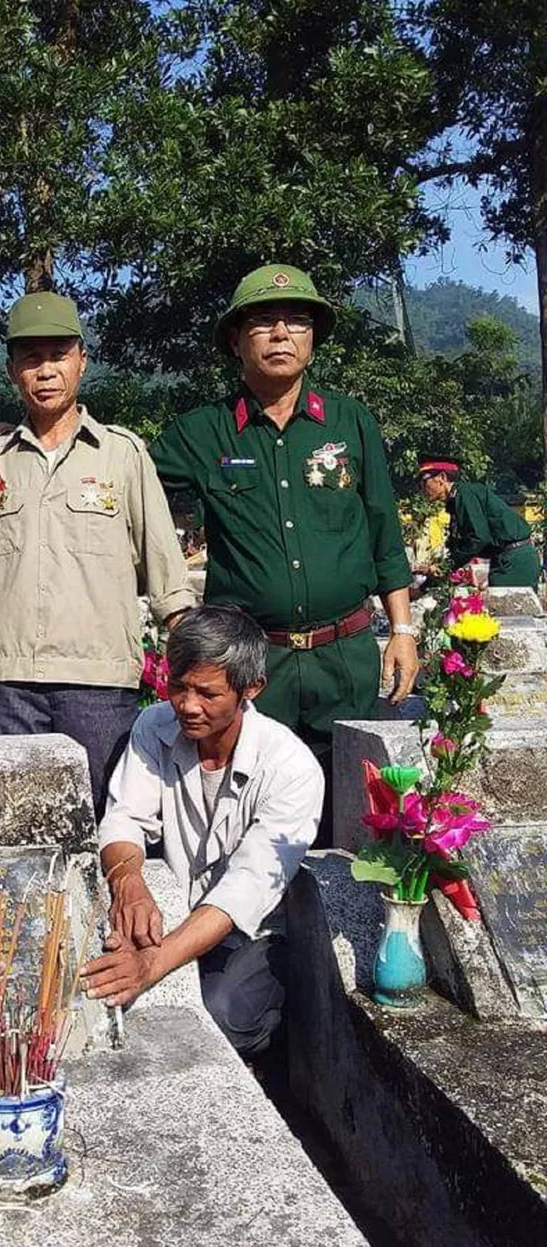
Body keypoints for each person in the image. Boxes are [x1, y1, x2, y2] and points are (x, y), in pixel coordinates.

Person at [149, 264, 418, 839]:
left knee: (355, 807)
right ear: (235, 341)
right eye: (263, 322)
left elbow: (383, 530)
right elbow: (121, 475)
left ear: (313, 337)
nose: (281, 334)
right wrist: (12, 430)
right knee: (251, 803)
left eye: (297, 321)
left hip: (343, 653)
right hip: (252, 661)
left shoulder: (349, 423)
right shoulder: (203, 433)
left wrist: (402, 630)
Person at [0, 292, 196, 817]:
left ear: (82, 360)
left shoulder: (123, 454)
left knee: (102, 824)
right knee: (14, 826)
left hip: (98, 682)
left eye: (58, 355)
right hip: (10, 681)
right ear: (11, 370)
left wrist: (189, 666)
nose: (45, 371)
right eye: (30, 357)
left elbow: (166, 574)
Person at [82, 604, 323, 1055]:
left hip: (246, 928)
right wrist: (129, 881)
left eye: (207, 694)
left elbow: (246, 889)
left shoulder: (291, 768)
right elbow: (125, 817)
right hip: (174, 901)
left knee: (223, 1014)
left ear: (251, 688)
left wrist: (151, 965)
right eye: (178, 687)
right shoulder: (154, 725)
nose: (188, 706)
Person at [417, 452, 541, 589]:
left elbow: (477, 539)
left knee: (504, 609)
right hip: (505, 559)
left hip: (514, 561)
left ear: (442, 477)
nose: (422, 488)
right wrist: (429, 581)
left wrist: (445, 567)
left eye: (424, 480)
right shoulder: (456, 500)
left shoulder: (465, 494)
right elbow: (462, 545)